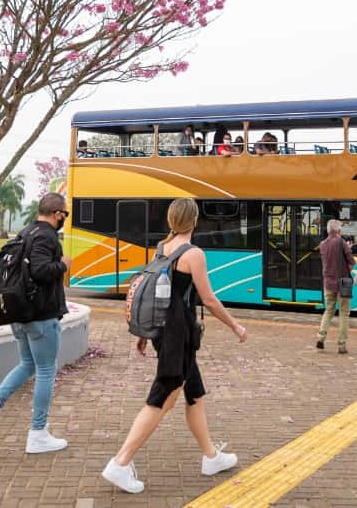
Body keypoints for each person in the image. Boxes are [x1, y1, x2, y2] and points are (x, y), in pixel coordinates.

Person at [102, 198, 248, 494]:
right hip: (177, 335)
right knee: (164, 395)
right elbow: (207, 298)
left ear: (171, 220)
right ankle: (120, 462)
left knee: (194, 393)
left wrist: (146, 332)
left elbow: (155, 293)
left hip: (165, 333)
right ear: (194, 221)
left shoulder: (161, 249)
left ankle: (211, 457)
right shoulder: (193, 254)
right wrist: (235, 325)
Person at [0, 192, 73, 453]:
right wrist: (63, 266)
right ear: (57, 213)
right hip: (41, 317)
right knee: (46, 370)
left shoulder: (25, 232)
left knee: (27, 364)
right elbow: (40, 271)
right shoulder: (47, 236)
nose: (65, 218)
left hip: (19, 314)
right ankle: (38, 433)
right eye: (65, 214)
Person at [316, 219, 356, 354]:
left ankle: (321, 337)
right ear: (338, 231)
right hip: (344, 282)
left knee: (329, 310)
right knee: (344, 313)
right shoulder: (341, 242)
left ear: (328, 230)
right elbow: (352, 262)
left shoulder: (322, 244)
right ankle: (341, 344)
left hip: (328, 282)